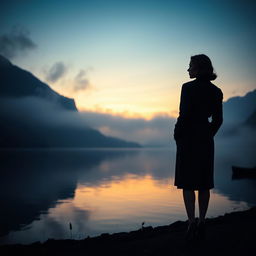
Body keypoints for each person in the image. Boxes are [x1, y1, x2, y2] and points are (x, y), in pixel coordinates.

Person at [174, 54, 223, 240]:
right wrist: (207, 134)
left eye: (190, 66)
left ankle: (191, 222)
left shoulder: (187, 88)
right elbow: (218, 120)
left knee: (187, 183)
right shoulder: (216, 91)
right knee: (203, 183)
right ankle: (202, 221)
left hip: (188, 138)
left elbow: (183, 114)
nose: (188, 69)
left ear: (199, 68)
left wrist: (177, 134)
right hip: (205, 139)